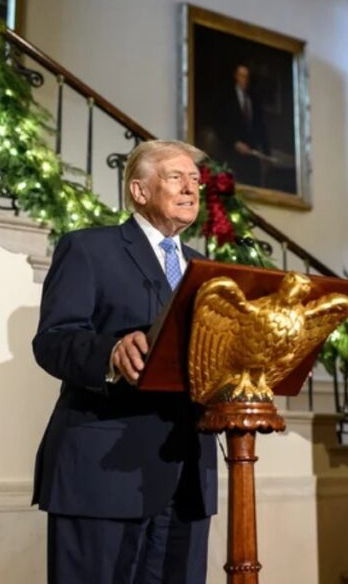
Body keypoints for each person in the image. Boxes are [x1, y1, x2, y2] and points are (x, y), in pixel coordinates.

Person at [32, 140, 216, 584]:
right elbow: (52, 341)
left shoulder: (204, 269)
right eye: (176, 177)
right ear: (138, 191)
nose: (191, 188)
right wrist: (110, 354)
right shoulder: (90, 249)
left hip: (188, 477)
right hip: (103, 475)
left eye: (195, 179)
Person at [218, 63, 270, 185]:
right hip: (232, 151)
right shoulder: (227, 98)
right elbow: (221, 124)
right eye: (241, 76)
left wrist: (266, 153)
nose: (244, 80)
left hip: (251, 153)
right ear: (236, 76)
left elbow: (260, 127)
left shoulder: (253, 100)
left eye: (246, 77)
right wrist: (234, 143)